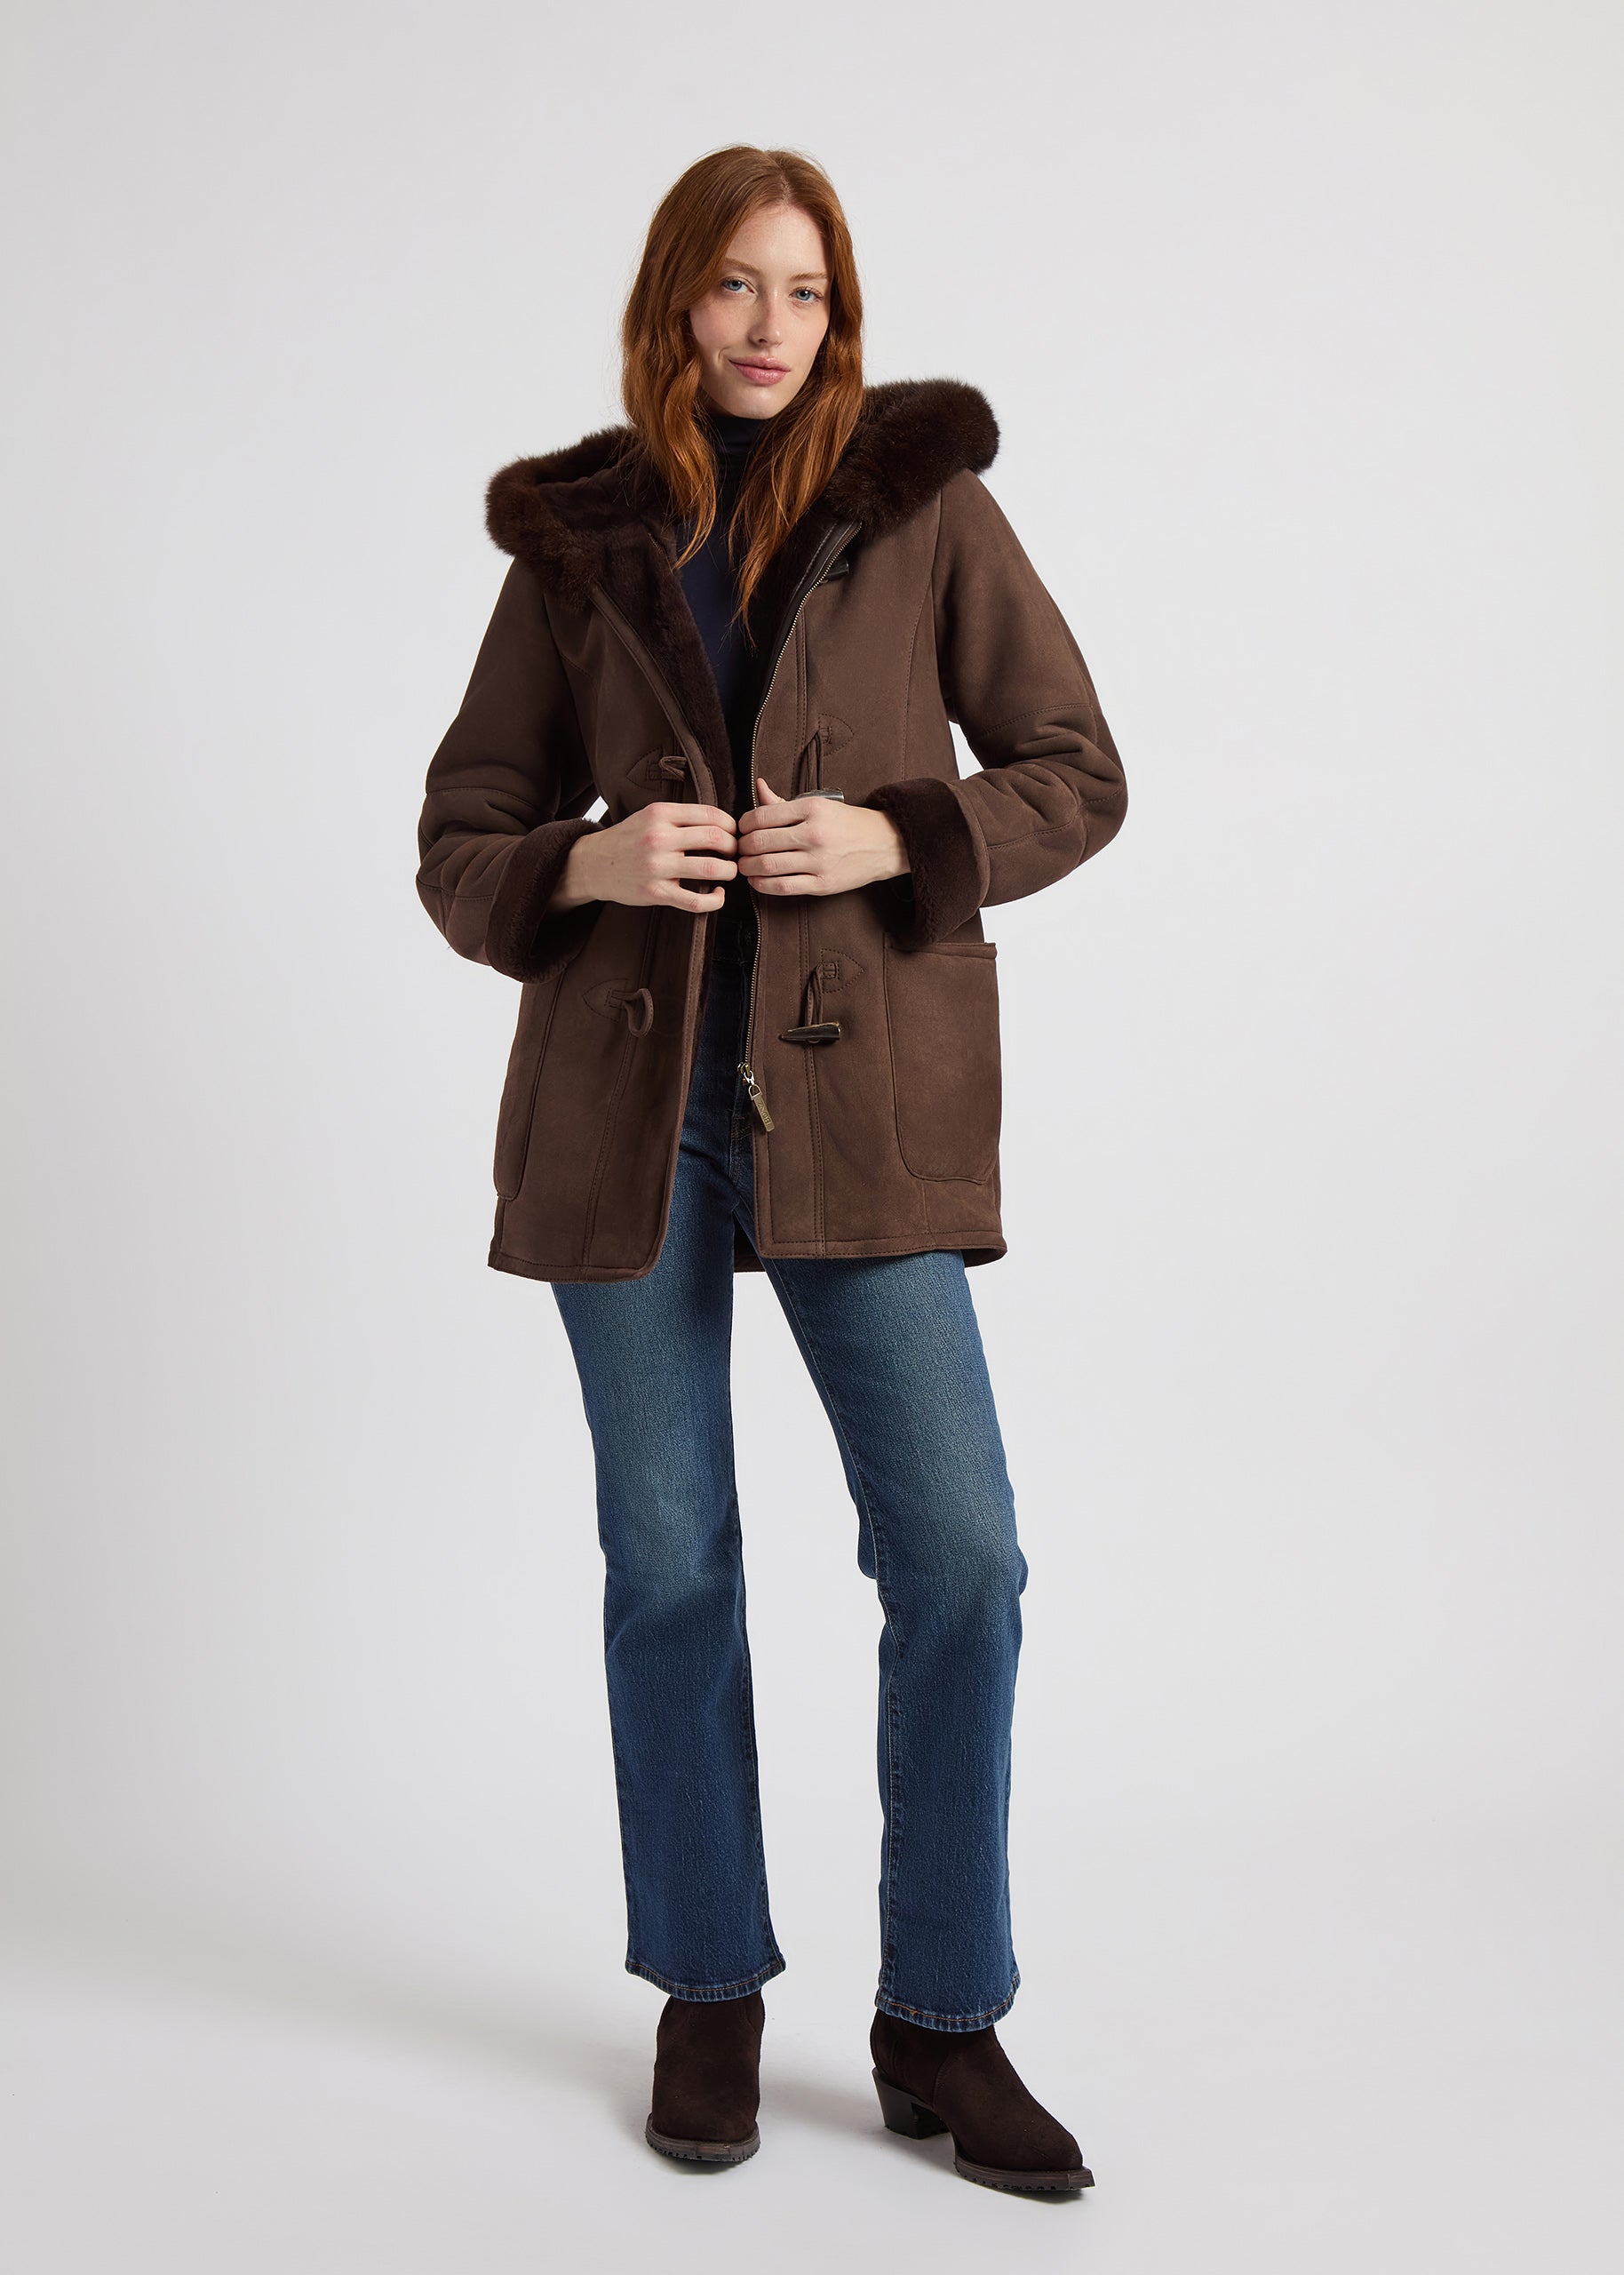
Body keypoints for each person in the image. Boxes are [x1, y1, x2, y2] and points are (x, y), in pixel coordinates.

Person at [416, 144, 1127, 2196]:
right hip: (627, 1109)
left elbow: (1076, 770)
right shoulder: (575, 541)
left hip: (856, 1099)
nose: (767, 323)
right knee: (670, 1561)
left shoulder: (921, 508)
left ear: (840, 317)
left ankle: (941, 2013)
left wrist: (901, 831)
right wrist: (589, 860)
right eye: (734, 283)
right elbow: (461, 834)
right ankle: (707, 1983)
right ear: (675, 300)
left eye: (803, 291)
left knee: (961, 1555)